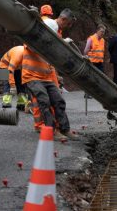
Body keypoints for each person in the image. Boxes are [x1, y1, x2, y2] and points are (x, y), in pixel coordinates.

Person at [22, 8, 78, 140]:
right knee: (44, 101)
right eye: (68, 24)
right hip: (32, 75)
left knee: (59, 101)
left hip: (46, 76)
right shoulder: (43, 28)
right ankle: (52, 131)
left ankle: (65, 129)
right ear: (63, 19)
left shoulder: (55, 32)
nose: (68, 27)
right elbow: (31, 45)